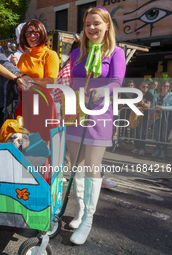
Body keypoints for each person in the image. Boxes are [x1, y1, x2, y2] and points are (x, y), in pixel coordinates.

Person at [66, 7, 126, 245]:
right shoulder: (75, 54)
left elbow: (117, 81)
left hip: (100, 114)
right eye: (88, 24)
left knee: (92, 165)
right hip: (76, 113)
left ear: (107, 25)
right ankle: (80, 210)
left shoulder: (116, 52)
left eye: (96, 23)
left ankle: (88, 220)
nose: (92, 28)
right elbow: (71, 82)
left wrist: (103, 91)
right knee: (76, 164)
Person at [16, 19, 60, 141]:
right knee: (21, 142)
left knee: (39, 145)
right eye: (28, 33)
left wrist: (28, 82)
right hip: (22, 103)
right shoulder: (23, 57)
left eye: (35, 32)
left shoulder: (50, 55)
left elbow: (51, 82)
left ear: (42, 32)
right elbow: (16, 79)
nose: (32, 36)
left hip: (41, 103)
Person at [131, 81, 153, 156]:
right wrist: (137, 102)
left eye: (147, 87)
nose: (145, 88)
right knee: (136, 132)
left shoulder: (149, 95)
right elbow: (132, 104)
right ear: (139, 87)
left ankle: (142, 148)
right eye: (143, 87)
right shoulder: (136, 94)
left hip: (144, 117)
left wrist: (142, 103)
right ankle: (136, 147)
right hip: (136, 116)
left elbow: (148, 105)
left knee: (142, 133)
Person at [151, 81, 172, 159]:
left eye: (167, 86)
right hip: (157, 117)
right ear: (161, 86)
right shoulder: (156, 96)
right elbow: (153, 105)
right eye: (164, 85)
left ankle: (163, 151)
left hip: (167, 118)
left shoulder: (171, 96)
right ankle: (157, 150)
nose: (166, 87)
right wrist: (156, 107)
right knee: (157, 134)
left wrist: (162, 107)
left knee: (164, 136)